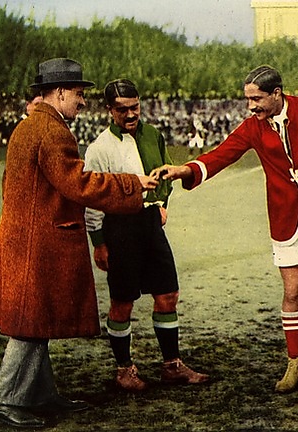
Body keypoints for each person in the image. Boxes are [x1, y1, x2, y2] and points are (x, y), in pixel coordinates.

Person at [152, 65, 298, 393]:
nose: (250, 106)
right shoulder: (253, 126)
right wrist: (184, 170)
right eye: (248, 99)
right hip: (285, 215)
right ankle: (295, 361)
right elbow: (222, 155)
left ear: (276, 93)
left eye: (256, 99)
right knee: (293, 291)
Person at [0, 58, 158, 429]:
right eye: (78, 94)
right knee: (30, 326)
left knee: (37, 321)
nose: (82, 101)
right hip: (36, 245)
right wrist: (132, 185)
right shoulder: (51, 130)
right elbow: (78, 183)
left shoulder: (32, 125)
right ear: (60, 92)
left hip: (25, 239)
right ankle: (2, 400)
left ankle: (40, 394)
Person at [84, 79, 209, 392]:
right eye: (122, 109)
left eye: (135, 107)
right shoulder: (99, 148)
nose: (130, 114)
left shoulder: (153, 135)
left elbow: (166, 174)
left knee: (168, 294)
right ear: (109, 110)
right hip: (120, 226)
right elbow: (93, 198)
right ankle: (124, 370)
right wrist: (99, 243)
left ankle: (172, 366)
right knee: (122, 302)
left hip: (151, 223)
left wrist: (162, 204)